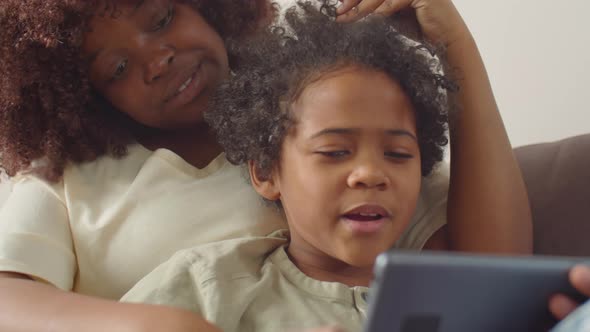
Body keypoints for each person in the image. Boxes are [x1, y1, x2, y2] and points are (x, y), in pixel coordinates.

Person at [0, 0, 531, 331]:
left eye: (162, 18)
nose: (156, 58)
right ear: (82, 93)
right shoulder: (63, 176)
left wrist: (455, 47)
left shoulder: (325, 112)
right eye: (117, 67)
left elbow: (492, 270)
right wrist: (155, 325)